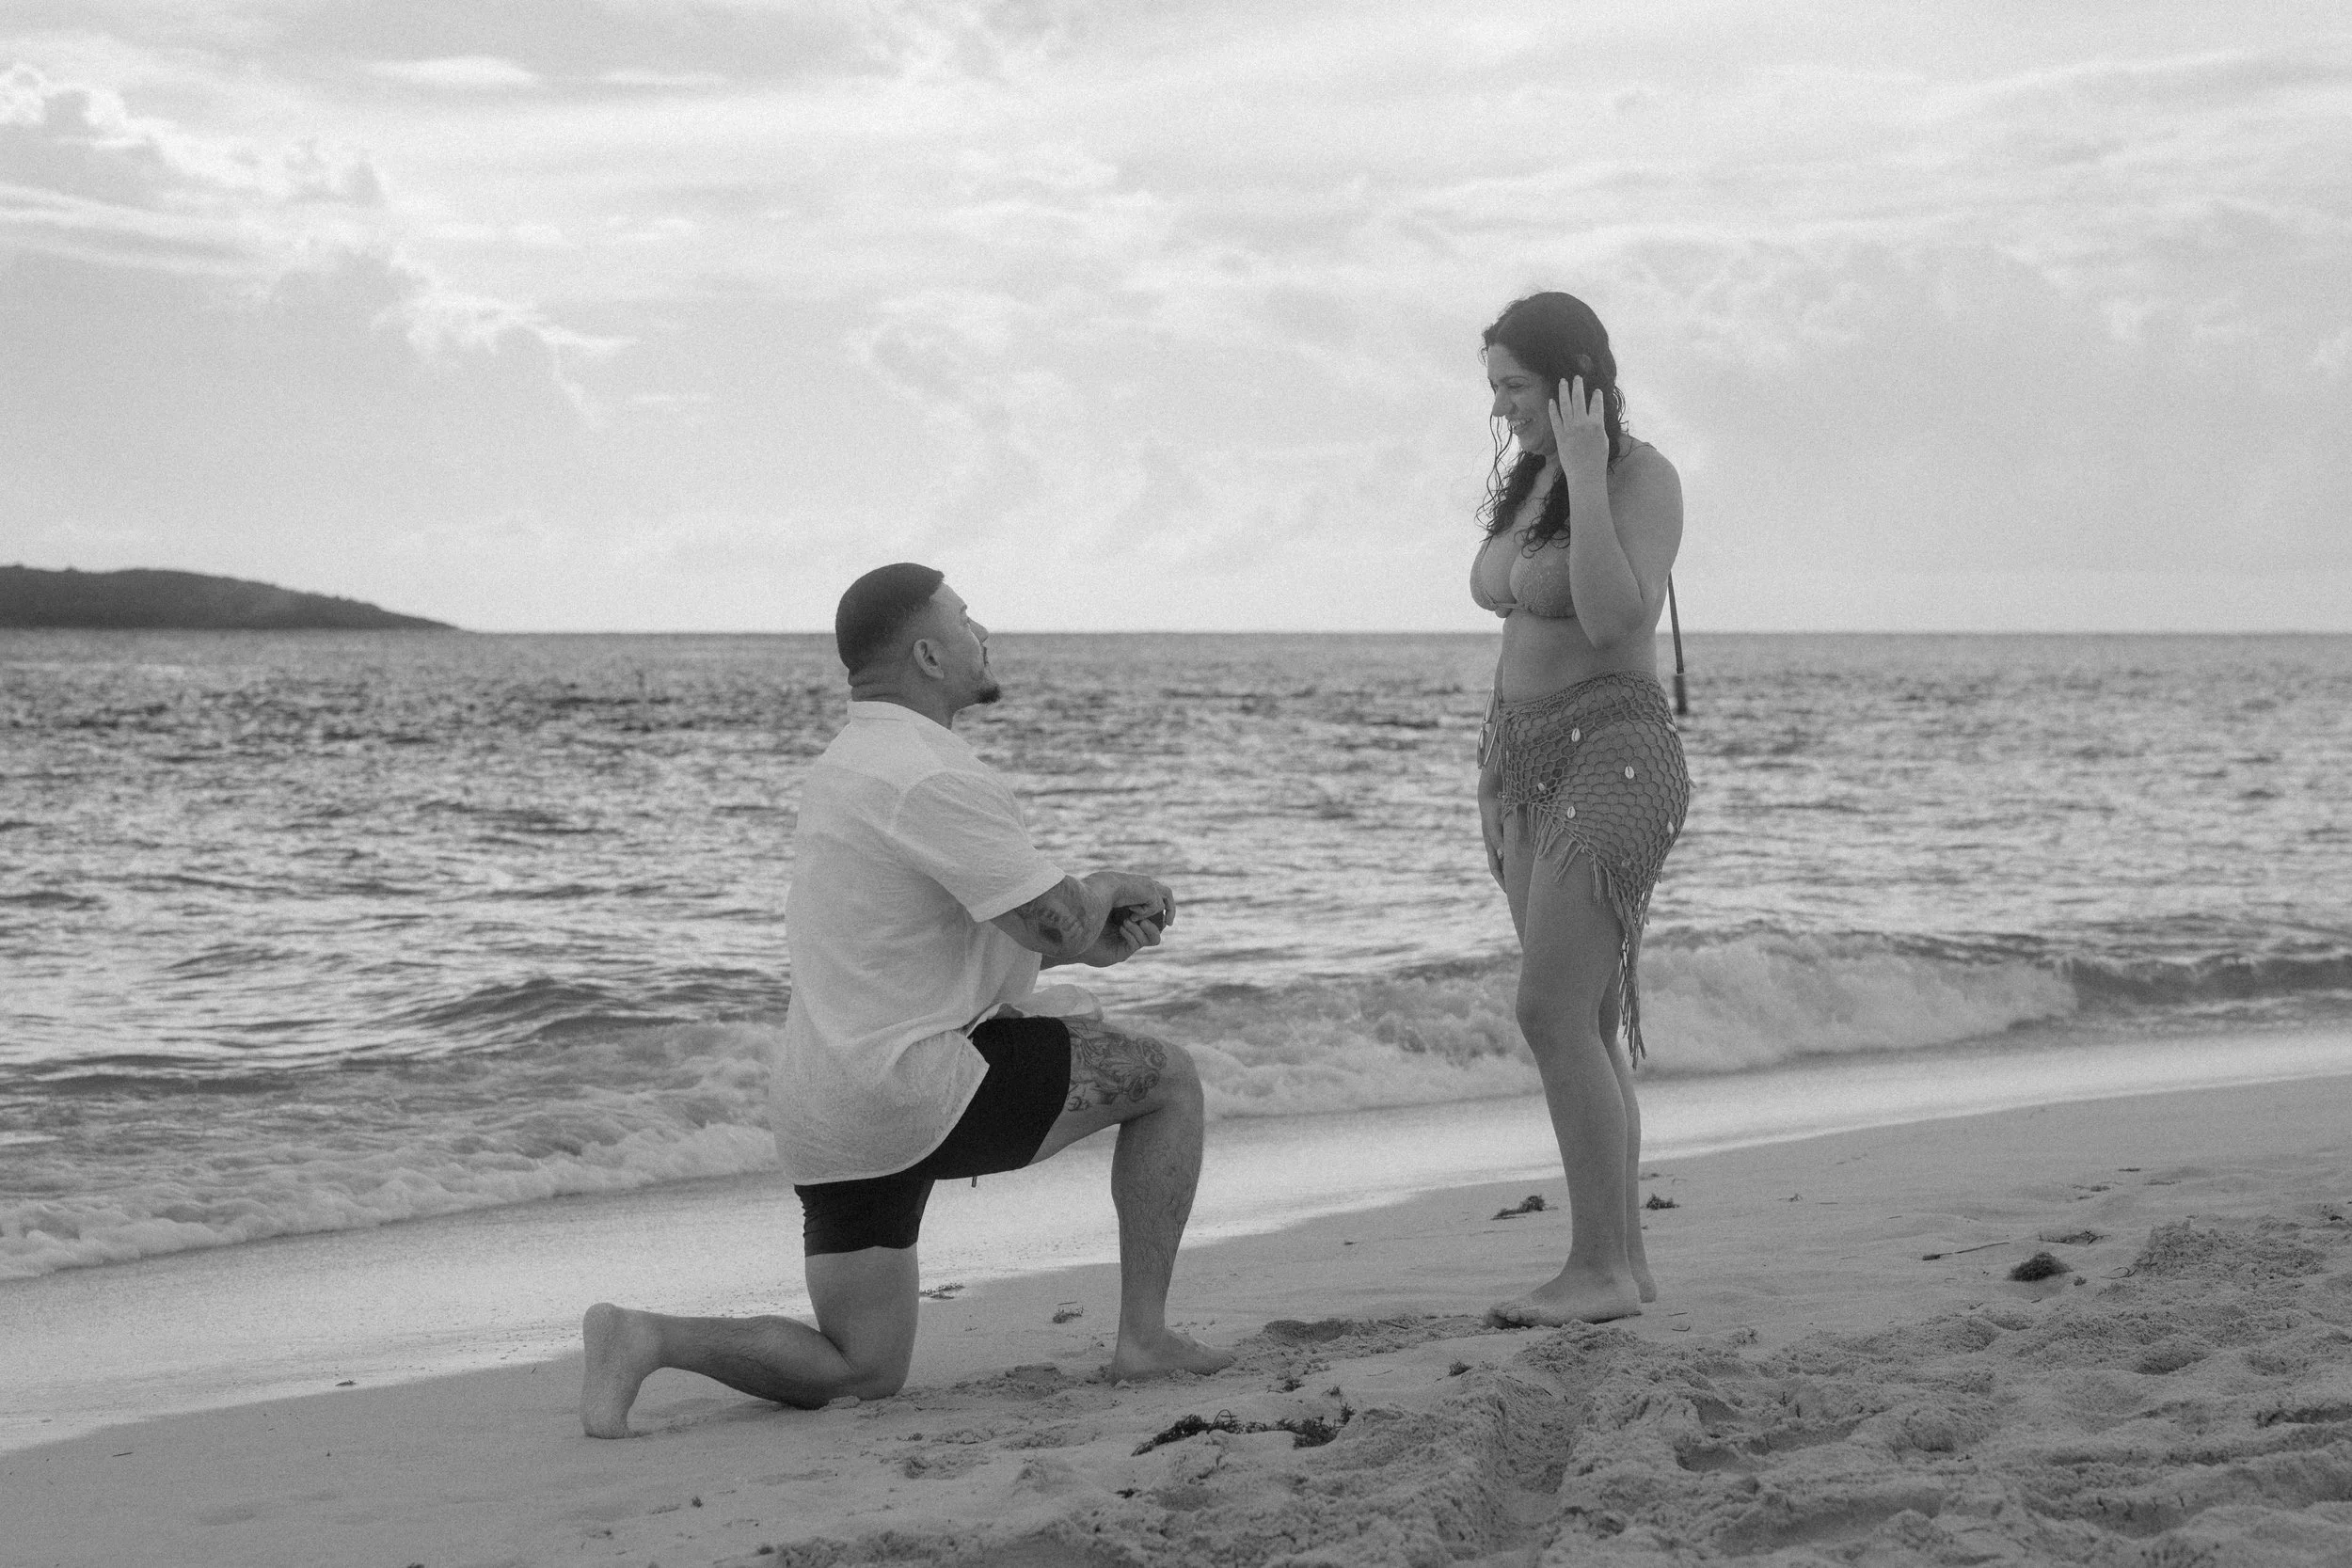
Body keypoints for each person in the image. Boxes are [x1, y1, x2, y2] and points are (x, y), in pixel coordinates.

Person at [580, 563, 1233, 1437]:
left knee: (863, 1369)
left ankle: (647, 1337)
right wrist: (1109, 891)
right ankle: (1145, 1338)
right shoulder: (927, 774)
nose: (984, 631)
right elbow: (1057, 917)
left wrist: (1082, 938)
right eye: (967, 620)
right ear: (929, 652)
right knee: (1171, 1081)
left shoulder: (849, 762)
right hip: (915, 1088)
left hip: (829, 1106)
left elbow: (966, 928)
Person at [1470, 292, 1690, 1326]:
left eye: (1515, 385)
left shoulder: (1640, 477)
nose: (1501, 406)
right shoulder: (1529, 477)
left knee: (1549, 1010)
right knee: (1586, 1014)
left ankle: (1596, 1264)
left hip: (1616, 750)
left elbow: (1612, 614)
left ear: (1571, 377)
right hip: (1518, 759)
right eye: (1495, 387)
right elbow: (1501, 599)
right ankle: (1625, 1262)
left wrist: (1591, 470)